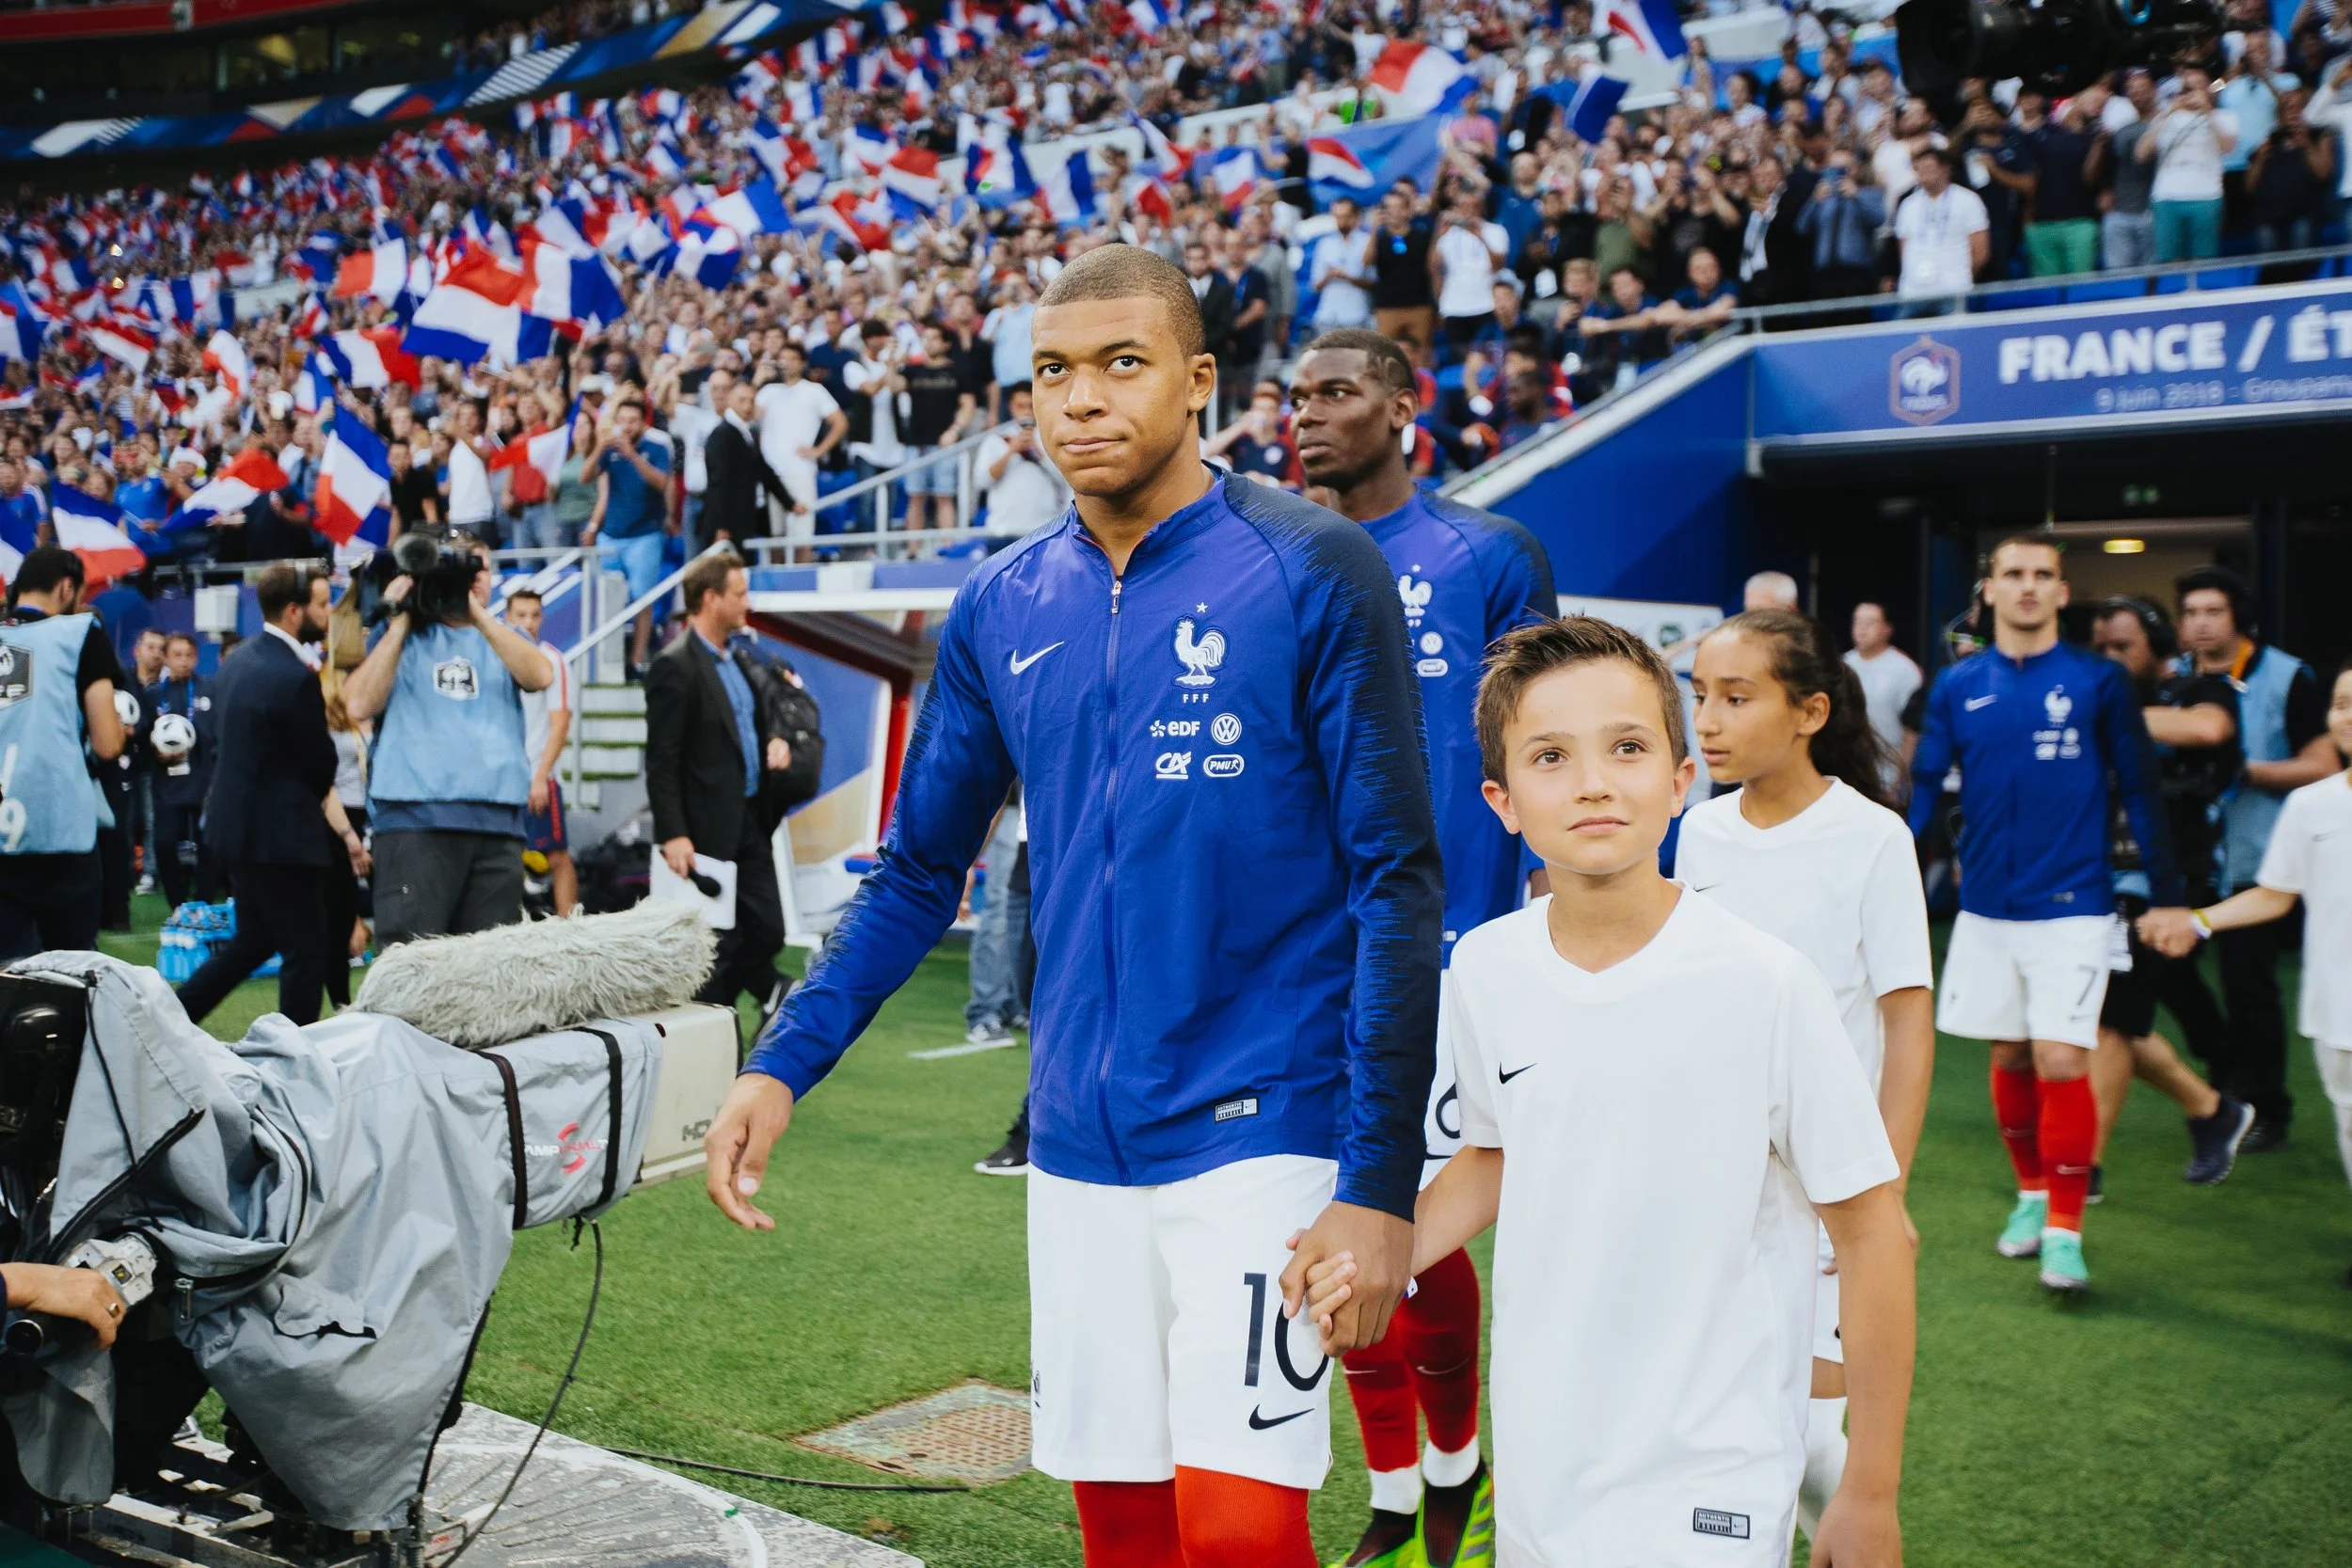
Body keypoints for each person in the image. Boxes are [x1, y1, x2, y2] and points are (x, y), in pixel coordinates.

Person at [701, 245, 1442, 1568]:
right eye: (1052, 371)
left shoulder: (1313, 564)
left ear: (1198, 380)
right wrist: (781, 1061)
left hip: (1264, 1122)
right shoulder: (1002, 600)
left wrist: (1378, 1185)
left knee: (1241, 1535)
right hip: (1078, 1140)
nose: (1081, 398)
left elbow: (1396, 874)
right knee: (1123, 1533)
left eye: (1120, 363)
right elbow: (917, 870)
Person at [1306, 616, 1915, 1568]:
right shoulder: (1487, 968)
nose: (1593, 781)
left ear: (1680, 780)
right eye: (1551, 756)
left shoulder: (1767, 983)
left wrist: (1869, 1488)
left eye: (1627, 746)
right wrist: (1381, 1253)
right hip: (1544, 1456)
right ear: (1503, 801)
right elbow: (1496, 1152)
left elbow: (1876, 1232)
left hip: (1713, 1465)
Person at [1290, 327, 1555, 1568]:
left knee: (1416, 1229)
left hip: (1448, 955)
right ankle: (1394, 1495)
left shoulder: (1488, 554)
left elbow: (1540, 742)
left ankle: (1457, 1473)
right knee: (1329, 1226)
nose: (1309, 414)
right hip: (1307, 958)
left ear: (1405, 404)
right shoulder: (1279, 555)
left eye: (1338, 392)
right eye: (1297, 396)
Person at [1681, 610, 1933, 1540]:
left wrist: (1882, 1192)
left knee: (1812, 1436)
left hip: (1830, 1183)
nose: (1707, 721)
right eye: (1699, 696)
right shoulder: (1700, 831)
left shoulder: (1872, 837)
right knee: (1732, 1416)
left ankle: (1855, 1530)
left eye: (1736, 697)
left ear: (1809, 711)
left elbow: (1907, 1023)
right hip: (1717, 1174)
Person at [1906, 535, 2185, 1293]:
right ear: (1990, 590)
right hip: (1988, 906)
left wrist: (2168, 894)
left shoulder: (2098, 680)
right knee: (2010, 1053)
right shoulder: (1958, 684)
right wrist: (1891, 875)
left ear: (2062, 591)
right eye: (2013, 574)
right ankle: (2031, 1193)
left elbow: (2140, 789)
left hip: (2075, 903)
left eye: (2042, 575)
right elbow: (1925, 787)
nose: (2027, 586)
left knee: (2062, 1055)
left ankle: (2065, 1229)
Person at [2140, 660, 2352, 1282]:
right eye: (2341, 703)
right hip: (2337, 1010)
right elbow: (2275, 894)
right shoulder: (2311, 805)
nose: (2347, 716)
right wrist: (2198, 921)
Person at [2085, 598, 2254, 1187]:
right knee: (2106, 1017)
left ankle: (2083, 1169)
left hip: (2171, 884)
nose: (2110, 657)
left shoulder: (2200, 690)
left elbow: (2209, 728)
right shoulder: (2106, 698)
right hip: (2102, 878)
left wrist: (2107, 713)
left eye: (2123, 646)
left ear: (2157, 645)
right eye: (2101, 648)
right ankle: (2211, 1108)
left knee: (2112, 1019)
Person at [2173, 564, 2333, 1149]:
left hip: (2258, 859)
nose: (2201, 623)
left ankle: (2269, 1109)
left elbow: (2324, 765)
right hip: (2188, 857)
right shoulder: (2175, 678)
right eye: (2191, 612)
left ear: (2238, 616)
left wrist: (2243, 771)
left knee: (2249, 986)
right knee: (2163, 967)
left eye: (2213, 611)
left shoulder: (2287, 676)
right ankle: (2224, 1062)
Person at [343, 531, 553, 947]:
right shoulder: (399, 634)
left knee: (488, 967)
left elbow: (540, 675)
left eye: (481, 568)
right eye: (458, 568)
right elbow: (359, 704)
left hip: (497, 825)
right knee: (412, 963)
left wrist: (474, 612)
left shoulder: (505, 637)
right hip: (415, 821)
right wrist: (403, 617)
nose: (472, 577)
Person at [175, 565, 350, 1028]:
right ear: (294, 611)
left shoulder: (238, 660)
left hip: (234, 828)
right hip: (281, 839)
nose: (328, 613)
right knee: (306, 950)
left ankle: (172, 1015)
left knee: (255, 941)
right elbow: (320, 762)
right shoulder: (293, 675)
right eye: (320, 605)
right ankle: (296, 1052)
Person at [644, 550, 796, 1019]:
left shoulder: (740, 660)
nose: (747, 603)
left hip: (751, 820)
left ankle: (760, 989)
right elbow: (661, 759)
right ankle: (737, 1015)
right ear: (711, 599)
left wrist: (775, 741)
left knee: (768, 930)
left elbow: (752, 723)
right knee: (717, 946)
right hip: (705, 831)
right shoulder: (674, 665)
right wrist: (673, 833)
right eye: (739, 594)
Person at [0, 547, 125, 964]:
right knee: (69, 972)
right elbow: (107, 743)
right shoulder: (79, 633)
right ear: (66, 588)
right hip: (59, 829)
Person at [580, 395, 675, 673]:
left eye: (633, 421)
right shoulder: (609, 449)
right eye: (622, 420)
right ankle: (608, 662)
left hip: (645, 535)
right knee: (606, 598)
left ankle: (636, 661)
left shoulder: (657, 447)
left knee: (642, 599)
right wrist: (600, 447)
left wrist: (632, 455)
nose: (627, 426)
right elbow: (584, 477)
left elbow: (662, 483)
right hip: (611, 534)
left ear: (643, 422)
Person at [503, 588, 576, 917]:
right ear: (507, 617)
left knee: (556, 856)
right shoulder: (498, 657)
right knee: (505, 858)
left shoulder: (553, 661)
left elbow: (560, 723)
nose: (529, 622)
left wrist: (540, 776)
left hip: (537, 776)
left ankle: (569, 929)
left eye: (535, 615)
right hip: (504, 779)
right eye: (521, 615)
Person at [148, 631, 220, 910]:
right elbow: (143, 735)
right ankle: (177, 904)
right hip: (167, 784)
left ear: (197, 658)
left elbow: (218, 735)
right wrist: (157, 751)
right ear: (166, 658)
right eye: (177, 655)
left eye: (189, 655)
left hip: (203, 781)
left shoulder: (209, 690)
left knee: (209, 843)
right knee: (165, 843)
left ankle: (203, 902)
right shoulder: (154, 694)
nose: (183, 661)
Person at [2138, 64, 2237, 261]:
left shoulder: (2225, 117)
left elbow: (2228, 147)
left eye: (2199, 86)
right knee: (2169, 260)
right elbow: (2141, 154)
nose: (2193, 92)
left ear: (2208, 89)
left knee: (2204, 259)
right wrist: (2169, 112)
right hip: (2167, 196)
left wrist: (2207, 111)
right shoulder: (2165, 117)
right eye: (2188, 88)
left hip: (2207, 195)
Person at [751, 346, 847, 544]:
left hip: (801, 471)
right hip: (770, 472)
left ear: (803, 363)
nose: (786, 363)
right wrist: (757, 381)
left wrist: (819, 451)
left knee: (802, 536)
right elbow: (749, 418)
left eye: (792, 358)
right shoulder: (768, 391)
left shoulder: (814, 391)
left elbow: (840, 423)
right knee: (774, 536)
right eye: (783, 358)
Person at [961, 783, 1028, 1051]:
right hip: (1010, 807)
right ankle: (984, 1012)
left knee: (1030, 912)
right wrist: (970, 860)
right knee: (1001, 909)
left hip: (1043, 806)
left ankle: (1015, 1004)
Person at [1844, 602, 1922, 800]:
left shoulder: (1905, 671)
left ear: (1888, 629)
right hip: (1847, 779)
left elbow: (1913, 731)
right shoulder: (1841, 666)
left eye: (1870, 623)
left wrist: (1899, 783)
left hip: (1887, 781)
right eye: (1857, 622)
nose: (1862, 629)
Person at [1893, 146, 1989, 304]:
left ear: (1945, 168)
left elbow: (1980, 252)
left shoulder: (1968, 200)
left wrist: (1962, 277)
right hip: (1913, 292)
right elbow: (1903, 248)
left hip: (1954, 289)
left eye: (1928, 167)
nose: (1923, 173)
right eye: (1918, 169)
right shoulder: (1908, 205)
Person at [974, 383, 1070, 538]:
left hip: (1046, 529)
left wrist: (1038, 451)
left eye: (1030, 406)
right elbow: (982, 481)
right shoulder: (995, 440)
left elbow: (1067, 479)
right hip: (1003, 531)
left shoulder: (1054, 438)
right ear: (1011, 407)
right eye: (1020, 406)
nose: (1026, 412)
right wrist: (1011, 451)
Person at [1310, 198, 1375, 331]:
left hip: (1356, 314)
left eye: (1346, 217)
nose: (1342, 222)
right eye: (1338, 217)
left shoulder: (1367, 242)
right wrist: (1328, 276)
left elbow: (1373, 281)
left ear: (1356, 217)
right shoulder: (1325, 244)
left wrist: (1348, 277)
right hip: (1328, 315)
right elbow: (1315, 285)